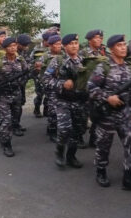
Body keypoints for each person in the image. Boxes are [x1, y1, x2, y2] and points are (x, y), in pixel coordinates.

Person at [88, 34, 131, 193]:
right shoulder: (103, 67)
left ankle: (129, 178)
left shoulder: (128, 67)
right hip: (107, 114)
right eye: (119, 45)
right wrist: (108, 98)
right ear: (112, 49)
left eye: (124, 45)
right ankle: (101, 171)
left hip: (125, 113)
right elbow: (91, 87)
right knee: (103, 145)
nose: (123, 48)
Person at [44, 34, 85, 169]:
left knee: (78, 131)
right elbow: (46, 79)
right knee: (64, 129)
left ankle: (71, 156)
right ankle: (60, 152)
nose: (74, 46)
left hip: (78, 101)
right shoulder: (57, 61)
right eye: (71, 43)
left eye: (76, 43)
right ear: (65, 46)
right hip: (62, 100)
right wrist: (61, 84)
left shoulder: (83, 61)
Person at [0, 37, 29, 157]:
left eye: (14, 45)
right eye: (10, 46)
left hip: (17, 94)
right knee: (6, 121)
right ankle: (7, 144)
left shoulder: (21, 60)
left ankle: (1, 135)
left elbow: (26, 73)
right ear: (5, 49)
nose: (13, 48)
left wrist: (21, 83)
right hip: (3, 96)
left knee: (15, 120)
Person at [37, 35, 63, 143]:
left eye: (60, 44)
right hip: (50, 87)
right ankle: (52, 131)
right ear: (50, 46)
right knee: (53, 110)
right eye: (57, 44)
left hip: (62, 87)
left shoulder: (64, 56)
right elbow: (42, 74)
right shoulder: (45, 57)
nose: (59, 46)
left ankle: (56, 128)